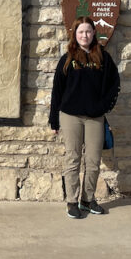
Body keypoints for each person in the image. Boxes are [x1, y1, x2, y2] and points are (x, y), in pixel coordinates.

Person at [49, 16, 120, 218]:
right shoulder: (67, 59)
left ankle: (87, 200)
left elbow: (114, 85)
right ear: (75, 34)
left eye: (88, 31)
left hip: (95, 118)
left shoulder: (103, 58)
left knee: (93, 160)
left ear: (94, 33)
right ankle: (72, 201)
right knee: (73, 159)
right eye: (80, 32)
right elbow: (57, 91)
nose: (84, 35)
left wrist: (103, 106)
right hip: (70, 116)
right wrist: (54, 120)